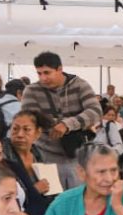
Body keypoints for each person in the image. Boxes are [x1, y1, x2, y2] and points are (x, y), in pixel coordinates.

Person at [21, 51, 102, 190]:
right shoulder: (31, 91)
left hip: (77, 155)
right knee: (52, 202)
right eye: (39, 73)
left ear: (60, 69)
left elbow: (95, 112)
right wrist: (66, 123)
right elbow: (30, 119)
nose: (43, 78)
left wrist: (67, 124)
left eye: (47, 72)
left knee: (79, 201)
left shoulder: (80, 85)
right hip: (45, 156)